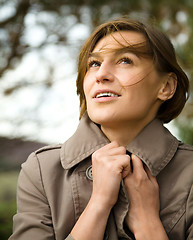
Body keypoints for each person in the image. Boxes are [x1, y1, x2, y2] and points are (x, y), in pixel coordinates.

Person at [9, 17, 193, 240]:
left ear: (166, 86)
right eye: (94, 64)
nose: (101, 74)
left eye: (125, 60)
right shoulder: (41, 170)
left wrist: (147, 223)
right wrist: (98, 204)